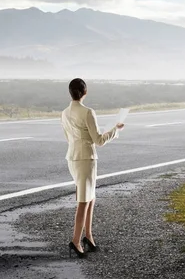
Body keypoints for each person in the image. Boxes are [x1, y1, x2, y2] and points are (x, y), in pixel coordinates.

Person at [61, 78, 124, 258]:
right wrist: (115, 130)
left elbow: (68, 137)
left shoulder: (64, 113)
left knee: (90, 197)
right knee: (83, 200)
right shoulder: (88, 112)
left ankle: (88, 236)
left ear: (70, 93)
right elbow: (99, 140)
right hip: (86, 159)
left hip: (72, 157)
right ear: (85, 92)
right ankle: (75, 240)